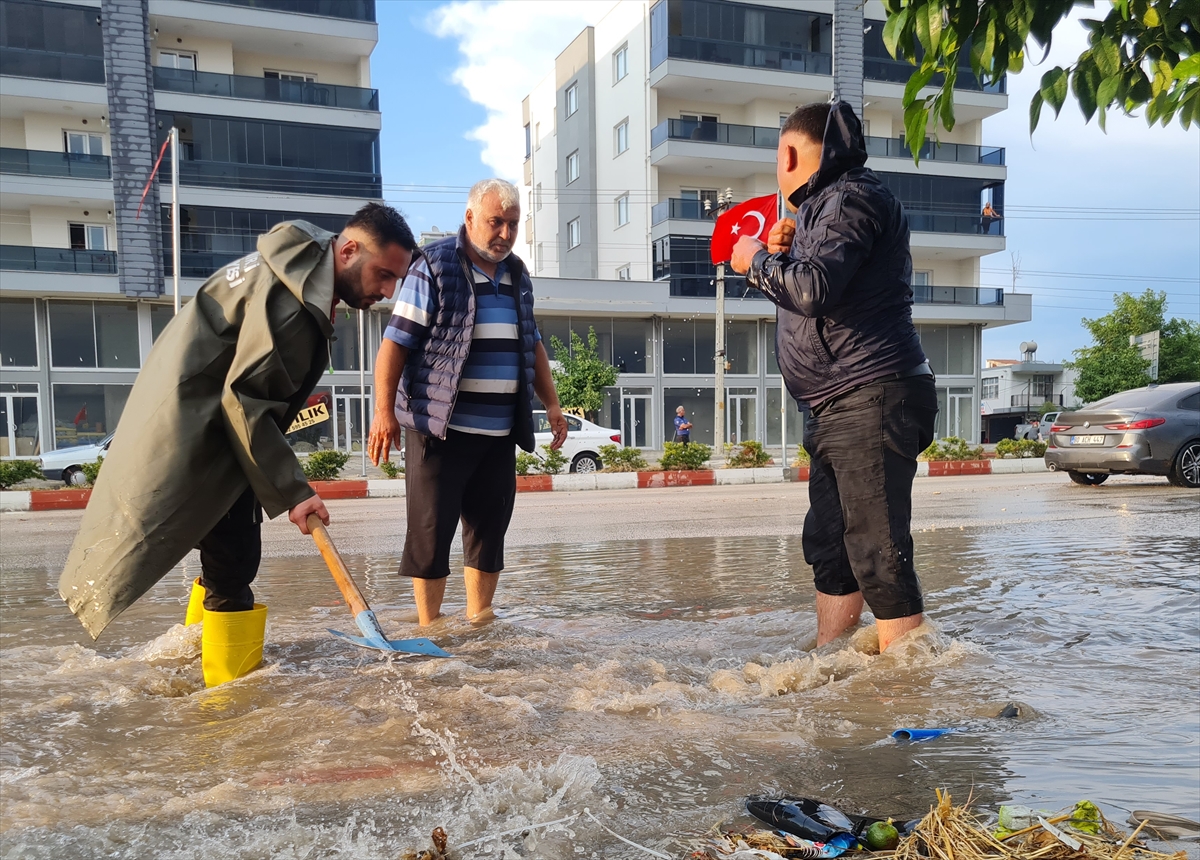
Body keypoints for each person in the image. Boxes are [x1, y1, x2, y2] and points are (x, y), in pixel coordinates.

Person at [58, 204, 417, 686]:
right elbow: (246, 403)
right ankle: (228, 698)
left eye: (396, 280)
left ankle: (191, 661)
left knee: (220, 557)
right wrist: (294, 491)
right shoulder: (292, 306)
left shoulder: (295, 262)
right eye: (383, 274)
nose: (388, 291)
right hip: (207, 437)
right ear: (349, 250)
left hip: (197, 421)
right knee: (233, 563)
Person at [729, 101, 937, 653]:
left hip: (870, 391)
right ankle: (831, 662)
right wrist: (787, 251)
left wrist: (752, 260)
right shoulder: (828, 206)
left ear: (789, 153)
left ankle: (911, 694)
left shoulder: (851, 197)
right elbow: (814, 283)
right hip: (834, 402)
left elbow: (813, 290)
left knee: (877, 548)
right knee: (830, 543)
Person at [368, 179, 567, 627]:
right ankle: (430, 627)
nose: (505, 233)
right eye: (496, 222)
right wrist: (384, 413)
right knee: (430, 535)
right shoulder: (434, 265)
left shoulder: (518, 274)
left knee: (488, 533)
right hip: (439, 429)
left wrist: (552, 405)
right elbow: (395, 343)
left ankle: (479, 623)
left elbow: (531, 344)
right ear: (471, 218)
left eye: (513, 224)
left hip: (498, 433)